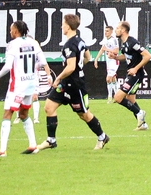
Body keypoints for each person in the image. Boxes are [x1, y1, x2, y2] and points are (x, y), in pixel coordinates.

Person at [36, 13, 110, 151]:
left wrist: (58, 78)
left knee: (84, 114)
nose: (61, 26)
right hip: (65, 84)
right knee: (48, 107)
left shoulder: (70, 45)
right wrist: (79, 67)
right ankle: (51, 140)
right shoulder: (80, 40)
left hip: (75, 86)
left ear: (68, 26)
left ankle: (102, 136)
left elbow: (70, 67)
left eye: (63, 23)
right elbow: (88, 56)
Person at [0, 20, 47, 156]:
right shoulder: (34, 43)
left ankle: (2, 150)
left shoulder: (12, 45)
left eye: (11, 30)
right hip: (30, 84)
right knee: (23, 114)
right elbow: (43, 62)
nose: (10, 32)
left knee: (7, 114)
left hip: (17, 85)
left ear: (16, 31)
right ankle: (33, 145)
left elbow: (8, 66)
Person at [109, 20, 151, 130]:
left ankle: (139, 112)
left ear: (123, 30)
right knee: (131, 99)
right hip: (132, 74)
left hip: (136, 75)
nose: (116, 30)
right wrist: (115, 57)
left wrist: (135, 68)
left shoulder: (133, 42)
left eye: (118, 28)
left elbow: (147, 56)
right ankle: (143, 124)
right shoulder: (125, 44)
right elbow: (126, 56)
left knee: (118, 97)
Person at [93, 24, 120, 103]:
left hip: (114, 61)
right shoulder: (105, 40)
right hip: (108, 62)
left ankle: (109, 97)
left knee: (108, 79)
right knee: (113, 79)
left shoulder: (114, 40)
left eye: (107, 31)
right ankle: (118, 96)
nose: (106, 32)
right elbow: (102, 50)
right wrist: (96, 59)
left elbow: (116, 51)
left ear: (111, 32)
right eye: (105, 31)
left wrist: (107, 49)